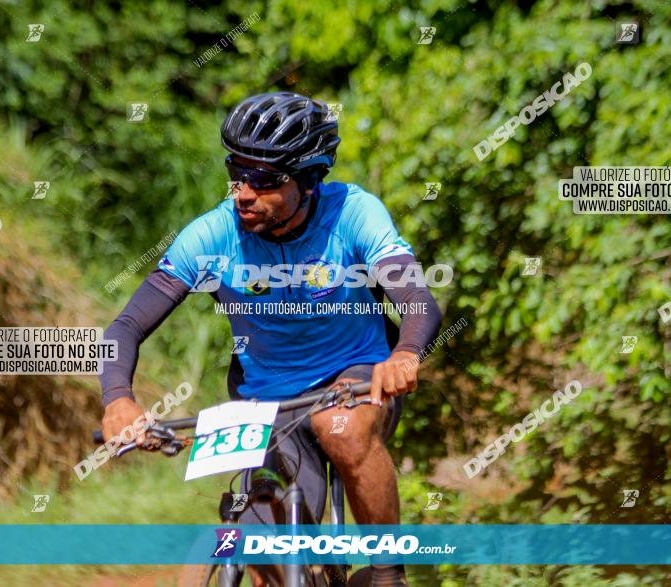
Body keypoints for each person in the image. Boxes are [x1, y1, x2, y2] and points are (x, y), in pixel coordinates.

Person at [100, 91, 442, 586]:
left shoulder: (354, 213)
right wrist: (118, 400)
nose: (243, 192)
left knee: (339, 427)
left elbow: (418, 301)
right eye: (237, 173)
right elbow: (126, 326)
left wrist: (406, 355)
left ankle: (388, 574)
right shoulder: (212, 235)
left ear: (307, 182)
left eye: (264, 180)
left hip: (355, 378)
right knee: (265, 539)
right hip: (265, 399)